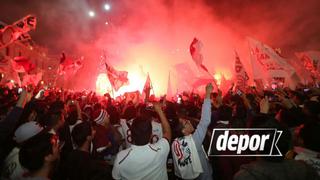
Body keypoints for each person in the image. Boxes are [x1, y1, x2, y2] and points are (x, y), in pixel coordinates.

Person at [112, 102, 171, 180]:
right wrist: (159, 111)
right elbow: (167, 132)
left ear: (131, 135)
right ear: (151, 135)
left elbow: (116, 177)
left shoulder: (120, 158)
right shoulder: (160, 150)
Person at [171, 83, 213, 180]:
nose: (189, 122)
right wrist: (207, 93)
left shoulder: (176, 142)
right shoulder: (194, 141)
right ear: (183, 130)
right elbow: (205, 120)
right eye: (186, 123)